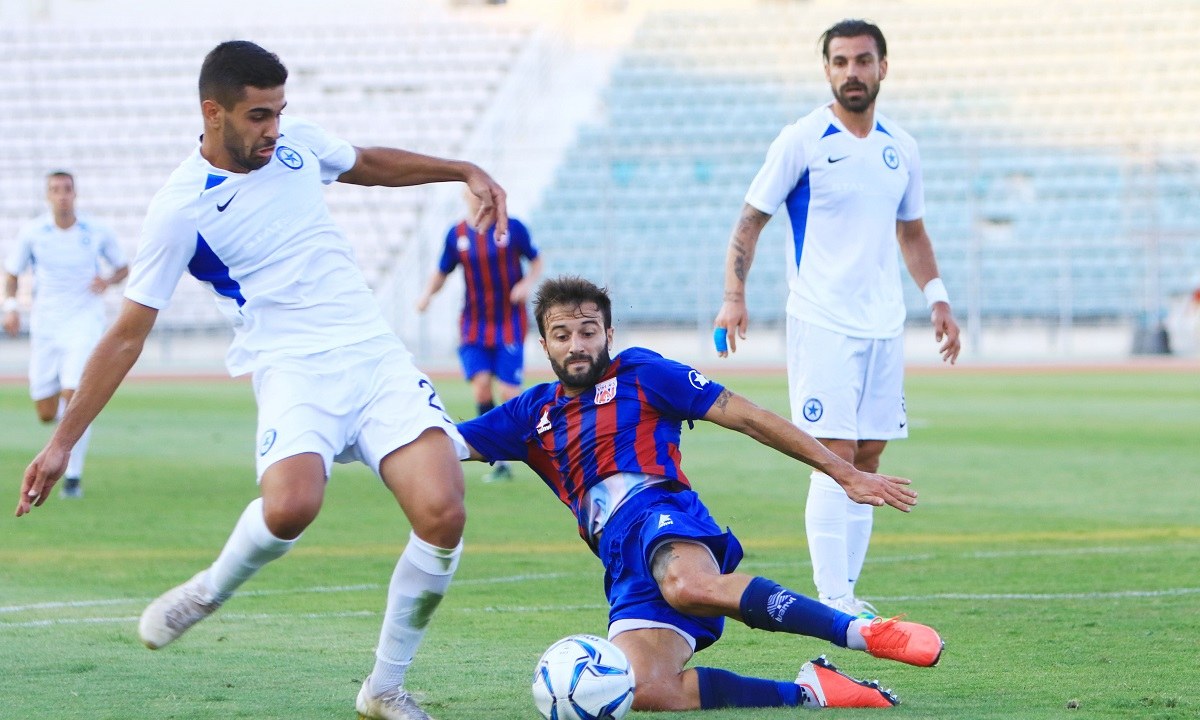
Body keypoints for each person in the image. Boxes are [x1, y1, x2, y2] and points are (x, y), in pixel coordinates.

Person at [14, 40, 508, 720]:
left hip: (373, 353)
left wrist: (461, 170)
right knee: (290, 508)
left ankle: (384, 689)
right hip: (291, 367)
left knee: (444, 513)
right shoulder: (179, 209)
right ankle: (209, 589)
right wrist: (63, 442)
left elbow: (364, 163)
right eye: (257, 116)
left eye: (278, 111)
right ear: (212, 112)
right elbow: (128, 333)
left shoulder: (295, 141)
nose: (273, 128)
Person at [458, 276, 944, 712]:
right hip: (621, 561)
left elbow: (748, 416)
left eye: (588, 332)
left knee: (687, 585)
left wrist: (844, 472)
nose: (577, 345)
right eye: (562, 335)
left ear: (608, 334)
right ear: (544, 344)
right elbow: (442, 443)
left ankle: (860, 632)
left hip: (659, 513)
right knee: (644, 690)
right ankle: (811, 691)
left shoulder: (643, 374)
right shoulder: (530, 413)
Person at [712, 19, 962, 619]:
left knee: (869, 457)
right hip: (821, 319)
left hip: (884, 325)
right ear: (827, 69)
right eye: (841, 61)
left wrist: (938, 297)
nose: (853, 72)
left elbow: (912, 232)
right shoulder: (802, 139)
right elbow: (750, 220)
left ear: (883, 68)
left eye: (863, 60)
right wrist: (733, 294)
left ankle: (849, 593)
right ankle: (835, 602)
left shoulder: (901, 147)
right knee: (834, 456)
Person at [3, 171, 129, 499]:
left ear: (75, 193)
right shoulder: (33, 232)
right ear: (48, 196)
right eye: (56, 190)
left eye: (67, 189)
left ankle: (72, 476)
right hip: (46, 325)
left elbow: (122, 267)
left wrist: (107, 281)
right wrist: (11, 307)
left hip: (84, 322)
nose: (62, 195)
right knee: (47, 412)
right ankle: (62, 436)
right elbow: (13, 273)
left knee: (75, 397)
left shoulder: (95, 230)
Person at [415, 189, 542, 482]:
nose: (479, 199)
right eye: (473, 194)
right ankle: (500, 461)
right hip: (474, 324)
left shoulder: (513, 228)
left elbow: (537, 261)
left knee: (509, 393)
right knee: (482, 389)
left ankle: (531, 449)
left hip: (509, 321)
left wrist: (526, 284)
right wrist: (426, 296)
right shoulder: (457, 235)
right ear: (465, 197)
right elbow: (442, 271)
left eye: (483, 195)